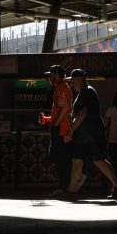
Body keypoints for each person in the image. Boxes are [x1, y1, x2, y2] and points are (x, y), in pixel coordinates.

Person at [63, 69, 117, 199]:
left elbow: (82, 113)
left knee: (99, 161)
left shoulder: (87, 92)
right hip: (84, 136)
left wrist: (71, 130)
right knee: (77, 162)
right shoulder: (84, 92)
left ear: (79, 79)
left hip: (91, 136)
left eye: (72, 81)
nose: (71, 83)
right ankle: (71, 190)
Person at [43, 65, 73, 196]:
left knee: (61, 160)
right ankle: (63, 187)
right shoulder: (60, 88)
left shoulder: (61, 88)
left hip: (60, 130)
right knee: (61, 160)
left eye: (52, 74)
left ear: (58, 75)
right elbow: (61, 110)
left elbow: (65, 108)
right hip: (60, 128)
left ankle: (63, 187)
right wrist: (48, 119)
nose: (50, 77)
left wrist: (55, 124)